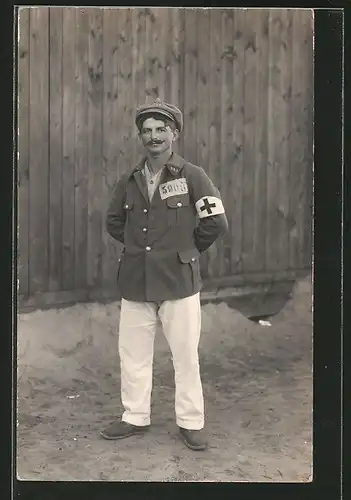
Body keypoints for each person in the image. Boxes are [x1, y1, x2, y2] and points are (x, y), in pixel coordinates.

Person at [101, 98, 228, 451]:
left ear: (174, 134)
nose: (154, 137)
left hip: (178, 282)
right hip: (136, 280)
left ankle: (190, 421)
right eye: (147, 131)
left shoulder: (193, 176)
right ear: (141, 137)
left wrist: (185, 252)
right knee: (133, 353)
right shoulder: (130, 180)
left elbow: (215, 222)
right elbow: (114, 222)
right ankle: (134, 416)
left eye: (161, 130)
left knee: (185, 354)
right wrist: (141, 252)